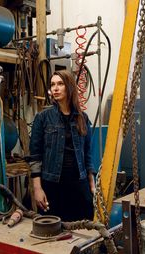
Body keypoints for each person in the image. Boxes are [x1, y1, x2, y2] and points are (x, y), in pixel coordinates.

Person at [29, 70, 95, 221]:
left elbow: (88, 153)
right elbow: (35, 157)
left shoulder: (82, 118)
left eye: (60, 84)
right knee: (53, 233)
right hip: (53, 186)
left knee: (83, 231)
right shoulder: (43, 118)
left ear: (69, 87)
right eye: (52, 84)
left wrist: (92, 184)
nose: (55, 88)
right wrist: (37, 188)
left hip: (79, 184)